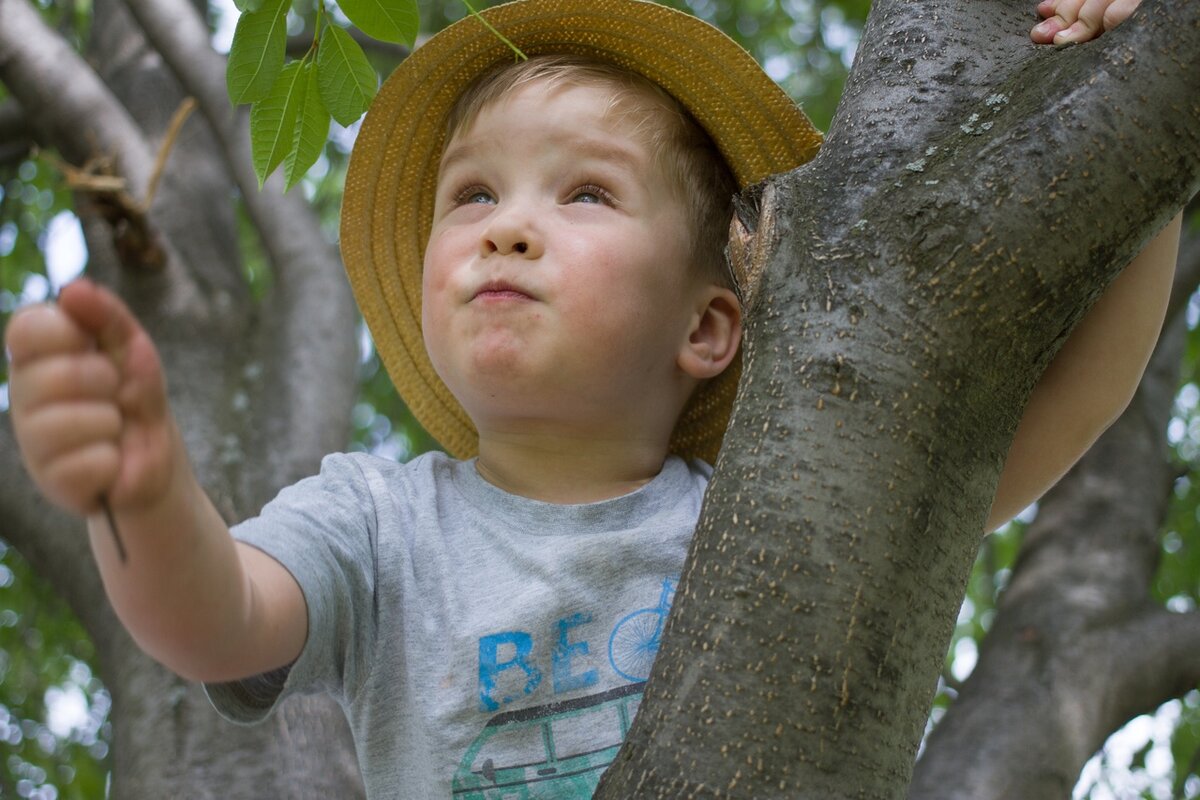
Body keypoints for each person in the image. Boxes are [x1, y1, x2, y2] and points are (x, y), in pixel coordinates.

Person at [2, 0, 1180, 795]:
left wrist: (1147, 160)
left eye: (586, 194)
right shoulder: (377, 521)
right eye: (472, 194)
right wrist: (142, 496)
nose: (507, 226)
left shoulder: (772, 507)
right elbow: (214, 620)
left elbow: (1058, 409)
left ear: (707, 326)